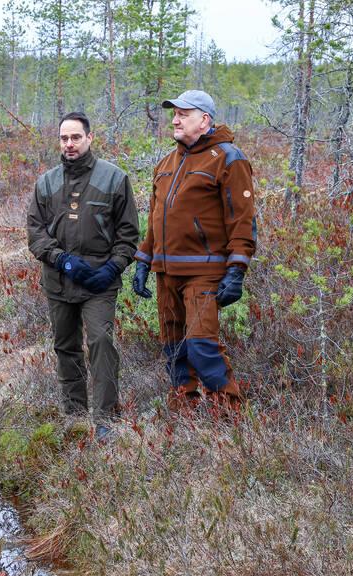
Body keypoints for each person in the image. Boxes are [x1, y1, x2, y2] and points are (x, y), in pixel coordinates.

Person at [131, 90, 256, 409]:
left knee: (201, 346)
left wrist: (237, 271)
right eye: (174, 114)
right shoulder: (166, 163)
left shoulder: (229, 158)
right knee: (174, 348)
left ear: (204, 120)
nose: (175, 120)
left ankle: (230, 414)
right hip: (165, 272)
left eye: (183, 115)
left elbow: (242, 220)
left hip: (204, 272)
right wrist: (144, 260)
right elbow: (156, 218)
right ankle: (185, 412)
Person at [27, 112, 139, 435]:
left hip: (99, 282)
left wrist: (112, 268)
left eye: (76, 137)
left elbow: (129, 234)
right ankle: (74, 413)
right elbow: (35, 232)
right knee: (66, 345)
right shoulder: (46, 183)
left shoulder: (114, 179)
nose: (69, 144)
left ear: (90, 138)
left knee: (101, 341)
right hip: (59, 280)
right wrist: (61, 260)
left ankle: (105, 419)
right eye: (64, 138)